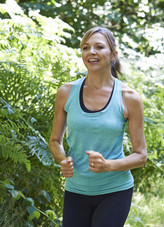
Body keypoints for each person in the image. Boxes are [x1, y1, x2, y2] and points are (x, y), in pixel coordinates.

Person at [49, 26, 147, 227]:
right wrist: (63, 160)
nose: (91, 52)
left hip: (115, 190)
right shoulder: (66, 92)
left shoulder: (129, 98)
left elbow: (141, 156)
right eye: (86, 47)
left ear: (113, 55)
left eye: (99, 47)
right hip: (76, 189)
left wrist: (108, 165)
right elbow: (54, 141)